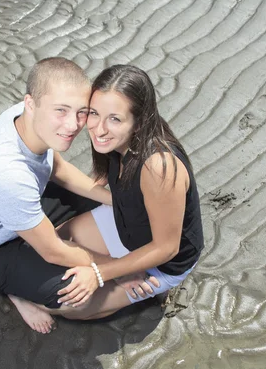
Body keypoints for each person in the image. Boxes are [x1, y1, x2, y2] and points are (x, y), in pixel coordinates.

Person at [0, 57, 139, 334]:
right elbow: (52, 251)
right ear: (30, 104)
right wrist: (119, 270)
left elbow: (55, 167)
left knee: (105, 209)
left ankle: (32, 257)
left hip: (20, 206)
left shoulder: (27, 117)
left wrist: (114, 201)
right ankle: (15, 291)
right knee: (76, 295)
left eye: (81, 112)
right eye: (61, 111)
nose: (73, 125)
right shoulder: (7, 175)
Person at [11, 64, 204, 321]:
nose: (98, 129)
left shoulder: (158, 167)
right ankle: (16, 292)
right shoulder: (114, 144)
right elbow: (103, 181)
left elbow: (167, 248)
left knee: (69, 307)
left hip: (162, 260)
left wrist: (101, 272)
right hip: (127, 225)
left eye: (115, 119)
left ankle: (149, 288)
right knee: (57, 240)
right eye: (93, 113)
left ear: (139, 122)